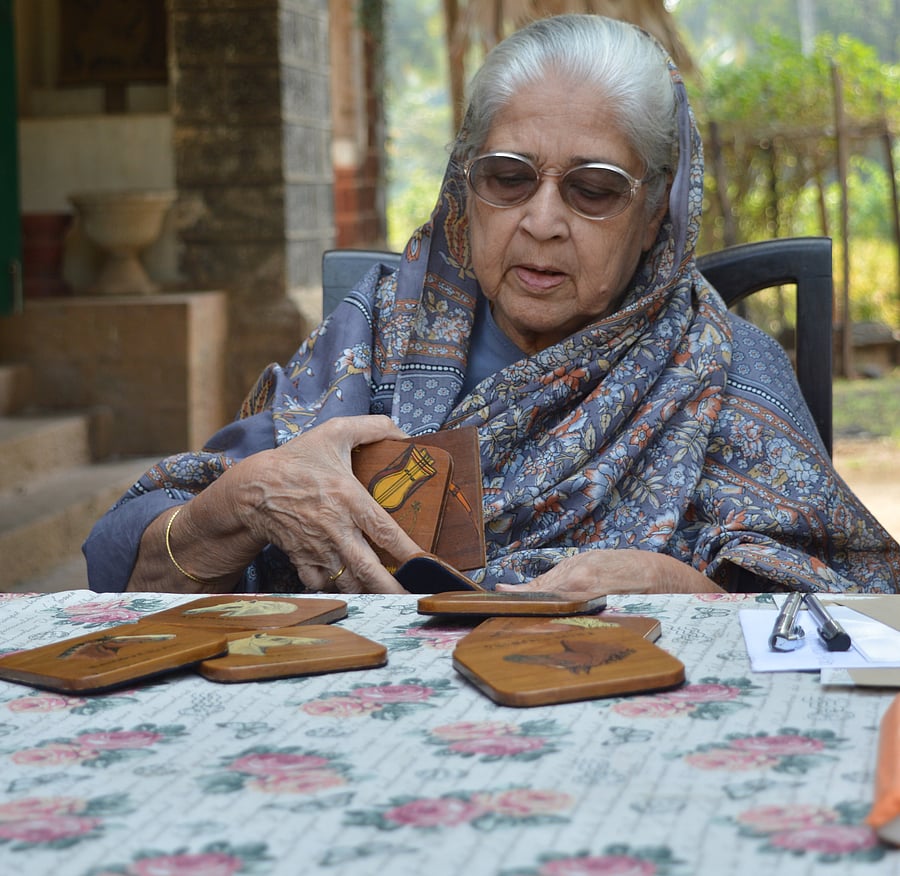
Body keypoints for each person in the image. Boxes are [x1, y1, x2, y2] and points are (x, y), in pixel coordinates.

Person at [84, 14, 900, 597]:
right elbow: (124, 567)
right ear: (464, 189)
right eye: (509, 177)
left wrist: (684, 589)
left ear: (656, 215)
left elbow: (850, 611)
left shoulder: (720, 369)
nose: (542, 221)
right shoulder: (377, 337)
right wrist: (253, 494)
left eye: (593, 190)